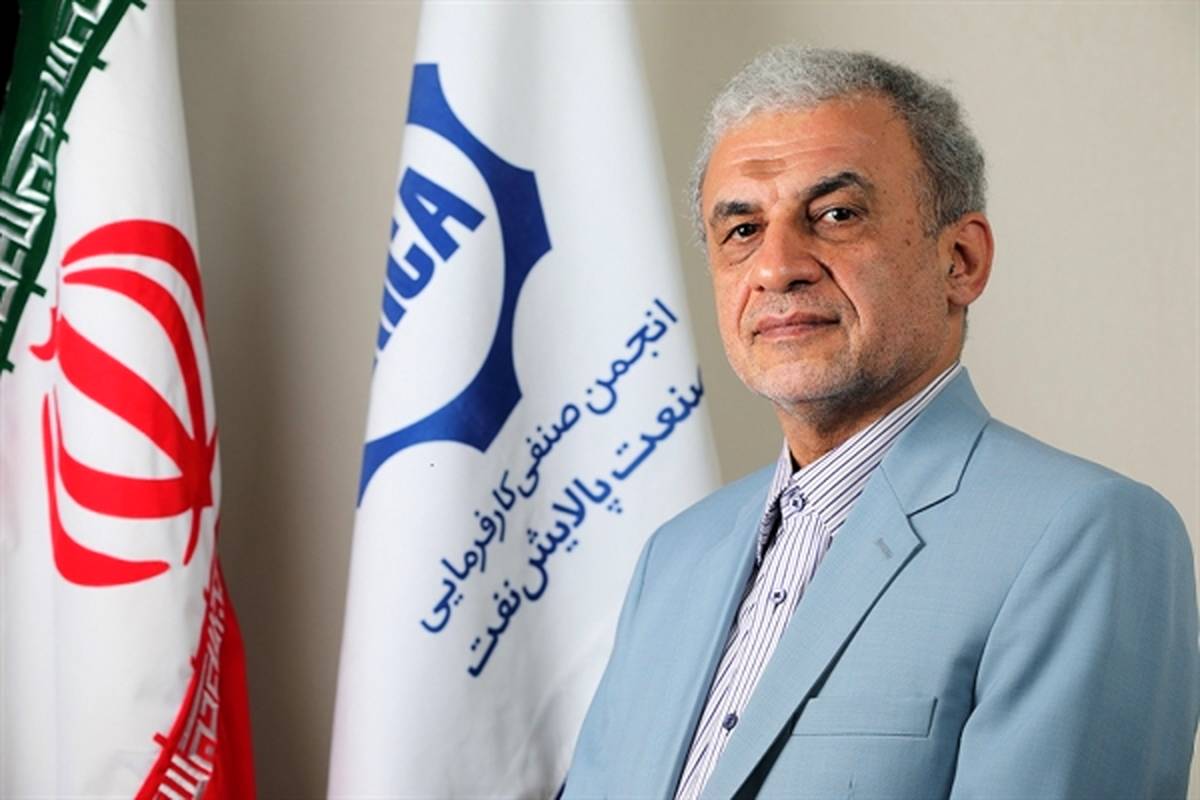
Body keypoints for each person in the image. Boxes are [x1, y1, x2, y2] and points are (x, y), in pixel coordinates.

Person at [563, 46, 1200, 799]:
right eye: (741, 230)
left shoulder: (1087, 533)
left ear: (960, 260)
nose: (776, 266)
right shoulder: (673, 558)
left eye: (835, 215)